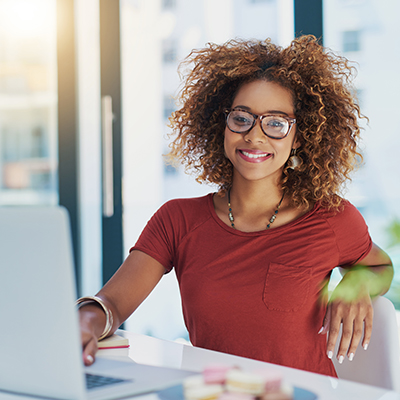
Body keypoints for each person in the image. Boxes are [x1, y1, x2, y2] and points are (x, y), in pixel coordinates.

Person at [77, 35, 393, 377]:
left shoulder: (331, 219)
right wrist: (85, 320)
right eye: (242, 118)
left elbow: (379, 267)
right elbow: (113, 303)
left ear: (299, 136)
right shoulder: (177, 220)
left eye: (276, 123)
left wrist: (355, 285)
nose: (255, 136)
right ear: (221, 124)